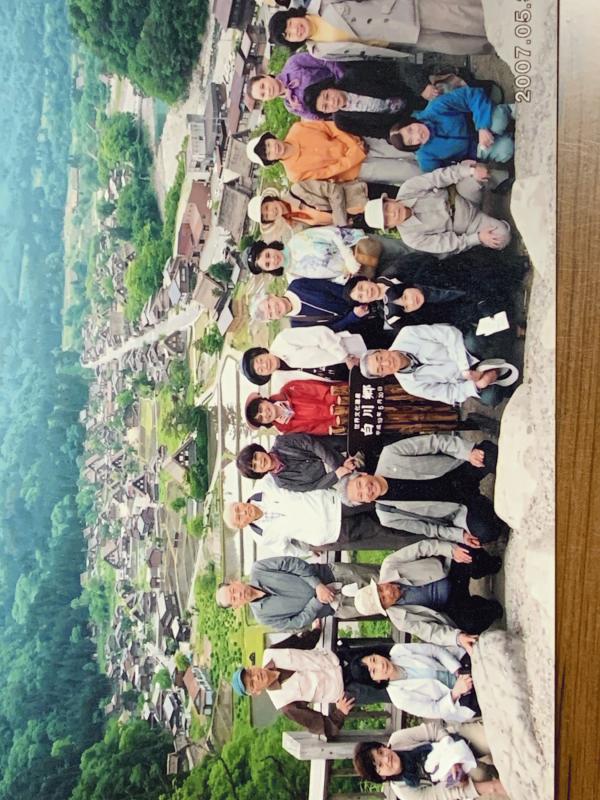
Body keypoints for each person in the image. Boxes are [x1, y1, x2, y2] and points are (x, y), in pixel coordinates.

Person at [342, 250, 529, 355]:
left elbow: (426, 259)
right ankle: (510, 320)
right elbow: (420, 328)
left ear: (365, 280)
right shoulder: (391, 316)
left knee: (478, 273)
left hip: (452, 279)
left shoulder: (393, 271)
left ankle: (512, 278)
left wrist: (415, 286)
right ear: (363, 302)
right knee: (479, 324)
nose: (365, 293)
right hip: (451, 310)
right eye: (361, 297)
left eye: (361, 287)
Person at [338, 433, 508, 545]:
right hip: (457, 507)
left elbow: (435, 442)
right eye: (361, 496)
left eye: (360, 484)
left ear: (363, 474)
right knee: (486, 532)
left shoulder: (390, 454)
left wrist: (467, 453)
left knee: (490, 456)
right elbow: (428, 528)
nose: (366, 490)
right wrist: (459, 536)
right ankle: (487, 505)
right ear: (365, 502)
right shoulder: (387, 516)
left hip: (457, 470)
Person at [352, 540, 504, 653]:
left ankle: (488, 565)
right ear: (386, 608)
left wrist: (451, 551)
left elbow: (422, 547)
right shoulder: (400, 620)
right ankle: (488, 607)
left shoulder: (390, 564)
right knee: (472, 622)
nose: (387, 592)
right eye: (384, 599)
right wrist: (457, 638)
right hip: (449, 605)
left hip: (448, 571)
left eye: (381, 589)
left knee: (467, 553)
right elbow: (431, 632)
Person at [230, 628, 388, 734]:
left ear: (252, 667)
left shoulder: (271, 652)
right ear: (256, 692)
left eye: (250, 673)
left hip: (343, 657)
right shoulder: (284, 704)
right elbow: (318, 725)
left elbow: (300, 643)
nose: (256, 677)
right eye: (252, 683)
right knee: (389, 692)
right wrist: (339, 713)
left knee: (389, 654)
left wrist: (316, 631)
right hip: (349, 690)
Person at [223, 474, 427, 556]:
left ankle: (427, 504)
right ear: (242, 526)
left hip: (334, 503)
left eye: (238, 508)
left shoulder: (264, 485)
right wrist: (309, 550)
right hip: (333, 532)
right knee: (386, 531)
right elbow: (288, 550)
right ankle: (430, 534)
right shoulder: (262, 537)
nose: (243, 512)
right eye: (239, 517)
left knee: (380, 501)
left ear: (239, 502)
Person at [248, 55, 465, 121]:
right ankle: (456, 103)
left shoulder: (293, 64)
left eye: (263, 86)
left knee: (400, 85)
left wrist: (344, 82)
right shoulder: (291, 106)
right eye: (263, 95)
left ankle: (455, 80)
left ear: (266, 76)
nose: (268, 91)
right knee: (399, 107)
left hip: (352, 79)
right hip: (347, 105)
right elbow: (319, 116)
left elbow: (324, 61)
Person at [363, 162, 512, 257]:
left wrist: (470, 171)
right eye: (387, 218)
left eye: (387, 207)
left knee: (475, 173)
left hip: (461, 195)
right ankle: (498, 220)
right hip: (468, 224)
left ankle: (505, 181)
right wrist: (478, 238)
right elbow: (446, 244)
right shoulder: (410, 237)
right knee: (501, 237)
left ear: (390, 200)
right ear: (389, 226)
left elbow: (439, 177)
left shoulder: (408, 188)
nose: (393, 213)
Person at [358, 323, 519, 407]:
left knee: (474, 342)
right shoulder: (410, 385)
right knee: (491, 397)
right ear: (384, 375)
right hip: (471, 378)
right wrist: (476, 385)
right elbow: (448, 393)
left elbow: (449, 334)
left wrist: (464, 368)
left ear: (382, 349)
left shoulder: (407, 334)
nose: (386, 363)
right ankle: (504, 376)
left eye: (380, 358)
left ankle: (508, 342)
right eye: (381, 368)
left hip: (465, 351)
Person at [268, 4, 491, 59]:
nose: (294, 30)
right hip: (393, 40)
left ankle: (503, 21)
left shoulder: (322, 3)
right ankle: (496, 45)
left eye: (289, 24)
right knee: (453, 44)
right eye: (289, 35)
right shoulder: (319, 51)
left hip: (399, 11)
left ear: (292, 15)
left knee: (460, 16)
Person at [353, 721, 508, 798]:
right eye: (380, 765)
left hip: (456, 740)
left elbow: (434, 730)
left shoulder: (398, 739)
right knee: (480, 774)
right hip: (454, 779)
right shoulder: (404, 791)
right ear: (381, 776)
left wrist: (452, 756)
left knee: (492, 738)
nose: (386, 758)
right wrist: (491, 787)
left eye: (381, 752)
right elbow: (441, 795)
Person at [216, 556, 379, 629]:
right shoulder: (263, 617)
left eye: (233, 590)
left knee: (379, 576)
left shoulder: (259, 569)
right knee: (381, 603)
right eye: (233, 599)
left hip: (332, 575)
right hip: (335, 606)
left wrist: (317, 585)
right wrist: (317, 601)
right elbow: (297, 623)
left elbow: (292, 563)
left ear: (235, 582)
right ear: (236, 606)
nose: (238, 595)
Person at [246, 122, 421, 186]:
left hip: (360, 142)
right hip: (356, 169)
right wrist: (353, 157)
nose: (273, 149)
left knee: (407, 148)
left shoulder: (297, 128)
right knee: (407, 171)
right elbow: (328, 172)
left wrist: (354, 145)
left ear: (271, 138)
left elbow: (331, 128)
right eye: (268, 154)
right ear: (271, 161)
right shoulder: (294, 174)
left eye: (268, 144)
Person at [389, 87, 515, 172]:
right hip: (478, 149)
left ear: (412, 121)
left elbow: (472, 94)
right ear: (412, 147)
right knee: (506, 149)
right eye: (411, 141)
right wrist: (469, 168)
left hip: (479, 121)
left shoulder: (436, 107)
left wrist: (482, 127)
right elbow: (439, 175)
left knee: (499, 121)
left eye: (410, 129)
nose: (418, 135)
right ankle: (511, 137)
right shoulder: (425, 156)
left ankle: (513, 111)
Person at [348, 641, 480, 721]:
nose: (380, 665)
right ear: (376, 681)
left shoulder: (398, 651)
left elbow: (434, 650)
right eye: (374, 671)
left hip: (457, 664)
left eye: (374, 660)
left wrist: (457, 670)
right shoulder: (399, 698)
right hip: (457, 698)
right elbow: (436, 710)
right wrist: (456, 692)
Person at [249, 276, 390, 347]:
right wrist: (352, 316)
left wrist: (356, 300)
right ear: (274, 319)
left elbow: (329, 287)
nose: (274, 309)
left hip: (362, 298)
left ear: (272, 296)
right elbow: (327, 331)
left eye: (269, 305)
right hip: (361, 329)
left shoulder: (298, 286)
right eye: (271, 314)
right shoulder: (297, 325)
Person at [240, 326, 366, 386]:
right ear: (264, 376)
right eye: (261, 370)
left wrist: (346, 357)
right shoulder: (282, 380)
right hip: (346, 379)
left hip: (349, 353)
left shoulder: (283, 340)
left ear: (262, 352)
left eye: (260, 360)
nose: (265, 365)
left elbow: (320, 334)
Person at [246, 182, 372, 241]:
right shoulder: (295, 226)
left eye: (267, 208)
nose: (271, 212)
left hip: (359, 198)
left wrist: (342, 223)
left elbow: (334, 190)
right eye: (267, 216)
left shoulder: (297, 190)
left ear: (270, 199)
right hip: (357, 225)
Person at [235, 432, 357, 492]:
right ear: (257, 473)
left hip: (334, 449)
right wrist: (337, 474)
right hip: (335, 477)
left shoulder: (281, 442)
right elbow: (313, 486)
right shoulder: (282, 482)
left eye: (256, 456)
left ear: (259, 450)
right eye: (255, 466)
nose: (260, 462)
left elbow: (312, 444)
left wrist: (338, 466)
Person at [243, 227, 369, 282]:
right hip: (358, 276)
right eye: (268, 264)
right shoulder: (294, 278)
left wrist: (348, 257)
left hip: (360, 249)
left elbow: (331, 233)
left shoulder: (297, 240)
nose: (273, 260)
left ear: (268, 247)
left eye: (268, 255)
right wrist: (344, 277)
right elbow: (325, 283)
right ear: (269, 270)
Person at [244, 379, 348, 436]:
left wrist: (337, 403)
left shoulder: (289, 389)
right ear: (264, 423)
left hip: (344, 396)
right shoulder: (287, 431)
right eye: (261, 418)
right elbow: (315, 430)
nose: (265, 414)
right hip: (343, 422)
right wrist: (336, 423)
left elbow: (317, 389)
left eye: (261, 409)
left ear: (263, 400)